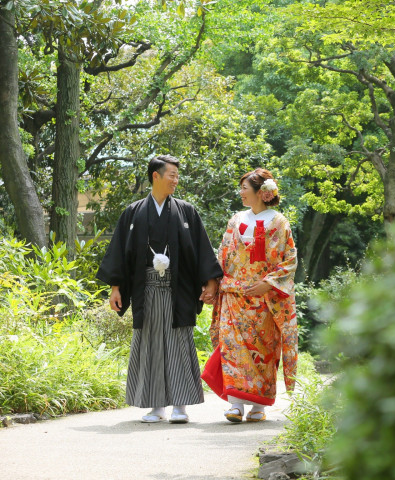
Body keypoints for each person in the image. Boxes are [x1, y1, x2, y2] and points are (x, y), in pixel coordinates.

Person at [96, 155, 223, 424]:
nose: (176, 180)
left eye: (177, 176)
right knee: (150, 345)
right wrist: (116, 288)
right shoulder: (133, 212)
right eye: (172, 175)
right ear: (156, 176)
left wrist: (211, 282)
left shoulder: (186, 211)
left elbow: (201, 249)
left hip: (178, 290)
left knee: (178, 343)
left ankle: (180, 406)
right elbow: (120, 252)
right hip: (147, 289)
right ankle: (155, 406)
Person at [201, 168, 298, 423]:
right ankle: (236, 405)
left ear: (261, 192)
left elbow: (289, 258)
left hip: (265, 297)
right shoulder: (235, 220)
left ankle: (259, 406)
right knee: (232, 348)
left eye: (245, 188)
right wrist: (212, 284)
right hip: (235, 293)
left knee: (263, 351)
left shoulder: (278, 221)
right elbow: (223, 254)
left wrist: (268, 283)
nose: (241, 192)